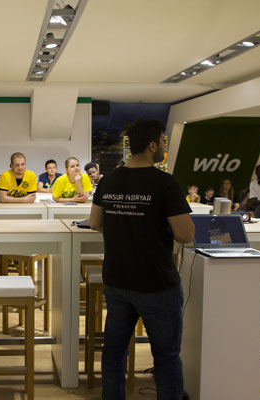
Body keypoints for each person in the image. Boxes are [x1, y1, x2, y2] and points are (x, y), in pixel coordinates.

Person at [90, 119, 194, 400]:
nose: (163, 147)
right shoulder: (165, 184)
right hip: (156, 284)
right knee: (167, 357)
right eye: (162, 141)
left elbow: (95, 222)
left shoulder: (109, 179)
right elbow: (185, 234)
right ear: (152, 145)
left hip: (117, 280)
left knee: (114, 353)